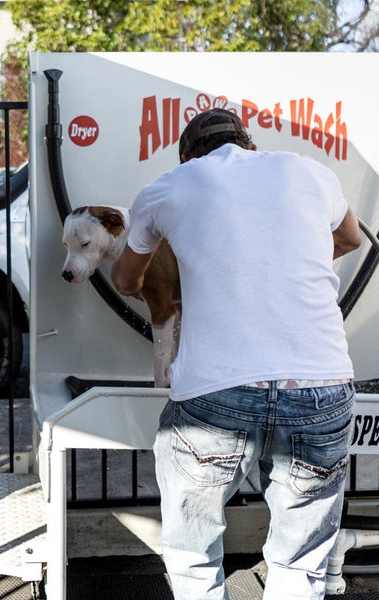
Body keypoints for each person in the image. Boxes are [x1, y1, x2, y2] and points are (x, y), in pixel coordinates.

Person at [111, 108, 362, 600]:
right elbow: (351, 238)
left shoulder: (169, 186)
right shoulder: (311, 171)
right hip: (321, 387)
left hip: (216, 392)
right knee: (301, 561)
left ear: (187, 157)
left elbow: (125, 279)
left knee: (193, 554)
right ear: (249, 144)